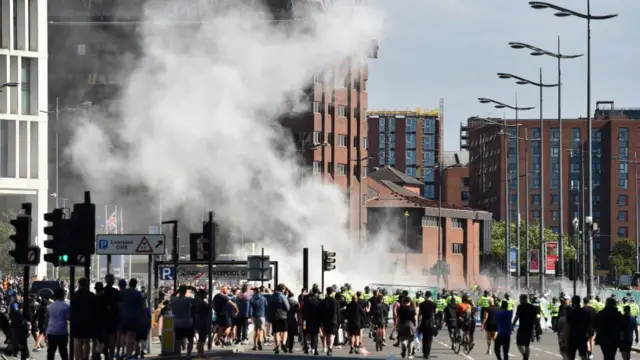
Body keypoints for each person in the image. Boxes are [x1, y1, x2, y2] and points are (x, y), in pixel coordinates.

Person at [46, 288, 69, 360]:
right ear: (63, 295)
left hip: (51, 331)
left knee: (51, 351)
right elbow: (68, 317)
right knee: (63, 351)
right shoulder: (66, 306)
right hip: (62, 331)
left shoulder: (49, 306)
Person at [566, 295, 592, 360]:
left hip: (572, 335)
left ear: (573, 302)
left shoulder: (571, 313)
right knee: (583, 354)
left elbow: (568, 324)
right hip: (582, 335)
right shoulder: (584, 313)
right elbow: (588, 324)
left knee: (571, 355)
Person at [511, 294, 536, 360]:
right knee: (523, 344)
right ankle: (525, 356)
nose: (520, 300)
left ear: (524, 299)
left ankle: (525, 356)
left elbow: (517, 317)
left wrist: (512, 325)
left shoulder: (524, 307)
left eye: (521, 299)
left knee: (523, 344)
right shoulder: (529, 307)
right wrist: (512, 325)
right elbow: (535, 319)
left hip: (525, 328)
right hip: (526, 328)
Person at [417, 291, 436, 359]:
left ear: (425, 296)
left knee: (424, 338)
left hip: (424, 322)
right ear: (430, 296)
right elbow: (435, 314)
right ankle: (427, 353)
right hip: (431, 323)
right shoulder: (433, 304)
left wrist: (418, 323)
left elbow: (419, 314)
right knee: (429, 339)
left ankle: (424, 353)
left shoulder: (421, 304)